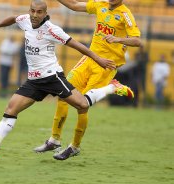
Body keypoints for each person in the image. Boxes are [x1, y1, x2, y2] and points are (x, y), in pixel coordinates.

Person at [0, 0, 133, 159]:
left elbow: (76, 45)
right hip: (34, 81)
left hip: (52, 77)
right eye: (32, 11)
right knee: (11, 108)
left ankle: (111, 88)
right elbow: (12, 18)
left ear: (45, 13)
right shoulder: (25, 20)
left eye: (39, 12)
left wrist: (98, 59)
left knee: (82, 104)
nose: (34, 15)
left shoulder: (52, 30)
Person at [34, 0, 142, 160]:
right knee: (63, 93)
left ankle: (74, 146)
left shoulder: (125, 15)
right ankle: (54, 140)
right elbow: (75, 5)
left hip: (106, 66)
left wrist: (118, 39)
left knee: (82, 104)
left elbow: (137, 40)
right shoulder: (100, 5)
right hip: (90, 58)